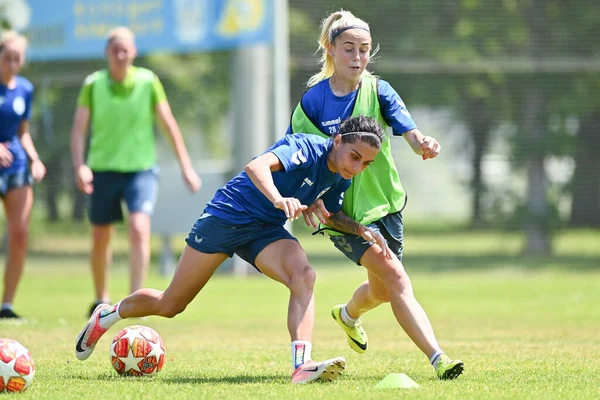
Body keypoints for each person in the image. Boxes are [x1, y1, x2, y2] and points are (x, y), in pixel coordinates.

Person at [74, 115, 389, 384]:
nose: (358, 167)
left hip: (264, 230)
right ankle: (108, 314)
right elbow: (257, 166)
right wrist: (279, 200)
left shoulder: (340, 179)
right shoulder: (306, 148)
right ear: (337, 141)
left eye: (366, 163)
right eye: (355, 156)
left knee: (304, 275)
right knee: (171, 304)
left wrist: (361, 229)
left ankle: (301, 366)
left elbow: (332, 215)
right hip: (225, 217)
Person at [288, 10, 464, 380]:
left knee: (383, 290)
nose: (357, 57)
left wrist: (425, 144)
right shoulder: (313, 104)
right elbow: (301, 157)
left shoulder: (379, 90)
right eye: (349, 49)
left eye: (364, 50)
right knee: (398, 280)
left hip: (385, 203)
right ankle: (439, 359)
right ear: (331, 50)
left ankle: (348, 314)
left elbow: (412, 135)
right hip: (342, 214)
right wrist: (311, 199)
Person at [70, 27, 202, 317]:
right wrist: (80, 165)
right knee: (100, 236)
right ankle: (100, 298)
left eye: (125, 50)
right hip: (102, 170)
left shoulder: (148, 81)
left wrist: (186, 168)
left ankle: (133, 300)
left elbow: (169, 125)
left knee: (139, 228)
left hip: (140, 171)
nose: (120, 55)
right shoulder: (93, 84)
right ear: (107, 53)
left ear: (134, 52)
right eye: (115, 50)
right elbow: (79, 131)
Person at [0, 31, 46, 319]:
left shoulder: (25, 89)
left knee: (19, 234)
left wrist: (35, 158)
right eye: (7, 58)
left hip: (16, 167)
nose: (12, 64)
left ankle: (6, 306)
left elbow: (23, 132)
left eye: (18, 59)